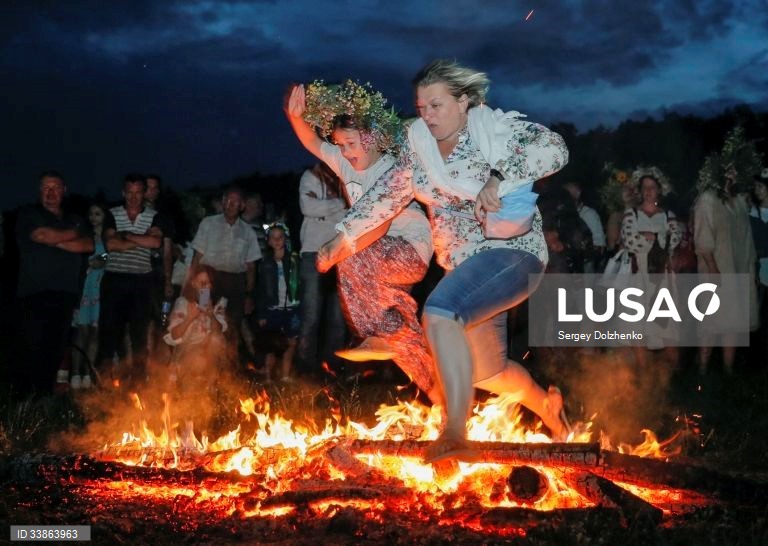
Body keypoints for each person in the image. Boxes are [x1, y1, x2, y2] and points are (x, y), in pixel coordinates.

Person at [317, 60, 570, 461]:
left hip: (512, 255)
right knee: (489, 373)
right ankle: (548, 407)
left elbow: (554, 149)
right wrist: (343, 237)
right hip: (466, 269)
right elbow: (387, 193)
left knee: (439, 313)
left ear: (464, 101)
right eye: (421, 108)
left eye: (436, 106)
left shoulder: (495, 131)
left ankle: (454, 430)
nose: (427, 115)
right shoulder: (418, 147)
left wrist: (499, 178)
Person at [286, 79, 436, 398]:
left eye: (351, 144)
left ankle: (375, 334)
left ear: (369, 139)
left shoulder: (388, 169)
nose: (345, 152)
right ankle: (442, 400)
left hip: (408, 250)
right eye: (340, 145)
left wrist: (337, 249)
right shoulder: (343, 163)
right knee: (401, 336)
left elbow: (379, 226)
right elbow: (312, 143)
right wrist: (294, 116)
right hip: (378, 265)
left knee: (351, 256)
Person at [14, 171, 94, 395]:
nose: (51, 192)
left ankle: (44, 396)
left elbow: (88, 245)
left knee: (56, 347)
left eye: (55, 187)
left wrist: (56, 240)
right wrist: (72, 234)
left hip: (66, 293)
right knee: (30, 346)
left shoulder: (74, 217)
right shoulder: (29, 213)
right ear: (40, 191)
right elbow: (40, 235)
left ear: (64, 190)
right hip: (34, 293)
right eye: (46, 188)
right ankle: (22, 401)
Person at [694, 128, 760, 374]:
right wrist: (713, 268)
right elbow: (702, 238)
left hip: (738, 270)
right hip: (716, 271)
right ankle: (701, 371)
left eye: (735, 169)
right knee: (710, 322)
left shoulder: (741, 202)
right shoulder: (707, 199)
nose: (732, 173)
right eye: (728, 169)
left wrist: (751, 269)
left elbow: (747, 239)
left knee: (732, 323)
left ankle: (728, 371)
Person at [96, 174, 165, 390]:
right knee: (109, 332)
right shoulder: (112, 214)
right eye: (130, 192)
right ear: (123, 193)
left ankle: (137, 383)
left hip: (141, 281)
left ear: (145, 193)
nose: (134, 197)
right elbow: (111, 246)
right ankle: (104, 384)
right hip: (115, 279)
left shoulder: (155, 215)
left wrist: (125, 235)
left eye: (138, 192)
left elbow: (155, 242)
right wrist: (140, 239)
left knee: (139, 335)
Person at [191, 185, 262, 367]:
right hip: (209, 280)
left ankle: (228, 372)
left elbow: (251, 266)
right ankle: (202, 369)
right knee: (204, 320)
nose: (231, 205)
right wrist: (193, 286)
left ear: (242, 206)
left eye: (236, 202)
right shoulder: (208, 223)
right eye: (228, 201)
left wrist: (248, 294)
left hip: (235, 283)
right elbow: (197, 257)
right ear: (223, 203)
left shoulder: (248, 232)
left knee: (232, 326)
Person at [619, 167, 681, 364]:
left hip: (663, 278)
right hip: (639, 278)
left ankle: (674, 376)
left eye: (652, 187)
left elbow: (673, 240)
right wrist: (652, 240)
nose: (648, 191)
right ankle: (643, 374)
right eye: (644, 187)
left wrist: (652, 237)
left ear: (659, 190)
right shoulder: (632, 215)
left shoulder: (668, 215)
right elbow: (629, 241)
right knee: (638, 328)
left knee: (667, 327)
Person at [296, 163, 348, 376]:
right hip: (313, 252)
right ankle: (306, 371)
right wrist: (339, 203)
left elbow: (353, 211)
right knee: (311, 315)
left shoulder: (345, 176)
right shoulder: (310, 175)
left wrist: (325, 206)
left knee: (339, 318)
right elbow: (308, 207)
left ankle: (332, 371)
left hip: (342, 254)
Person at [164, 263, 227, 391]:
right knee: (197, 359)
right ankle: (190, 396)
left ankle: (210, 389)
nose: (206, 287)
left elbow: (219, 332)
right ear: (193, 283)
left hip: (208, 352)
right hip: (186, 351)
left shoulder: (218, 304)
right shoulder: (183, 302)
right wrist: (189, 318)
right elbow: (175, 335)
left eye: (209, 283)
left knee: (215, 340)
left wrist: (211, 316)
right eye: (202, 283)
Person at [254, 223, 301, 381]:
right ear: (268, 241)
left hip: (292, 308)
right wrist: (261, 313)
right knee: (271, 344)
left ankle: (285, 375)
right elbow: (260, 290)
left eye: (280, 237)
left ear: (285, 239)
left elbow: (301, 283)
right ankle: (267, 377)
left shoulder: (293, 259)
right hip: (273, 308)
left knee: (291, 342)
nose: (277, 241)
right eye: (273, 238)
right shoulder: (265, 263)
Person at [70, 202, 109, 389]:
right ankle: (75, 373)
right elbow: (86, 260)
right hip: (85, 288)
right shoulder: (84, 237)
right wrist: (96, 261)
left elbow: (106, 260)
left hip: (101, 288)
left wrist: (101, 260)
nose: (94, 217)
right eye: (91, 214)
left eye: (98, 213)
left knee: (96, 331)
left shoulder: (110, 238)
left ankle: (88, 373)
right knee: (81, 331)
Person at [563, 181, 606, 272]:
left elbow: (599, 244)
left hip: (585, 263)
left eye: (567, 194)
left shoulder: (589, 214)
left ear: (578, 194)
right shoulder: (562, 214)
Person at [749, 169, 768, 358]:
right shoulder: (752, 213)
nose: (758, 190)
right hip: (760, 271)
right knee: (758, 315)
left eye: (761, 186)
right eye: (756, 186)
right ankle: (756, 357)